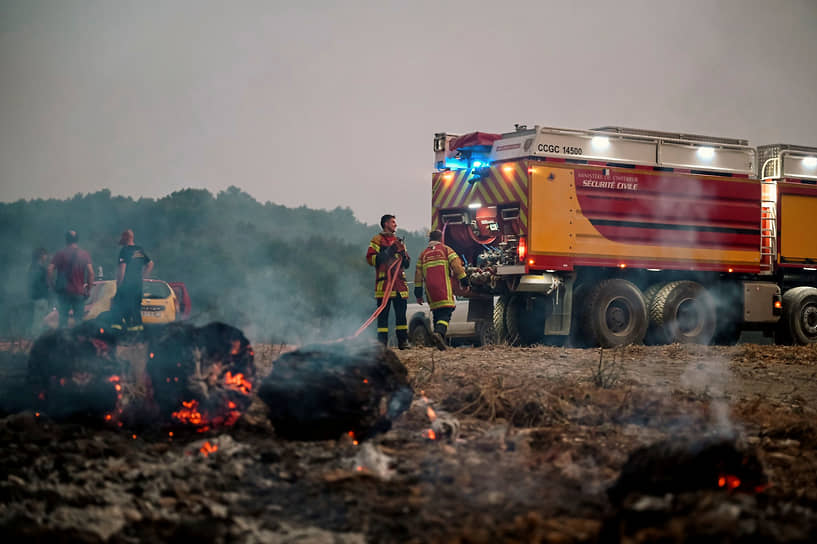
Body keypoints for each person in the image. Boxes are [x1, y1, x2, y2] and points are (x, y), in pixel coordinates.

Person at [414, 229, 467, 350]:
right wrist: (464, 281)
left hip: (430, 292)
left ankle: (439, 344)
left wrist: (418, 293)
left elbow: (417, 274)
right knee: (446, 312)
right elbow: (457, 266)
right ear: (440, 239)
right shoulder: (446, 250)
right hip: (443, 288)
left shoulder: (423, 254)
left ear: (430, 239)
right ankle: (439, 334)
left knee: (437, 313)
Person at [366, 214, 411, 349]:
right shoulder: (377, 240)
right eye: (393, 222)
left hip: (399, 286)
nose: (395, 225)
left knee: (401, 317)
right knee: (383, 317)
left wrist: (403, 256)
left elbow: (407, 264)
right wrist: (389, 251)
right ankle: (382, 344)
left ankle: (403, 342)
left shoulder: (399, 241)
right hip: (384, 285)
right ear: (386, 224)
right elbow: (371, 259)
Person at [48, 230, 94, 328]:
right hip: (79, 292)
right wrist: (89, 289)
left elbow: (49, 270)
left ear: (66, 240)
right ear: (77, 240)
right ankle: (78, 341)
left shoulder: (60, 254)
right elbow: (91, 272)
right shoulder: (84, 254)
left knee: (63, 320)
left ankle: (62, 341)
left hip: (64, 292)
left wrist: (52, 286)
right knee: (79, 321)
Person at [111, 229, 153, 332]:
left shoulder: (124, 251)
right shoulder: (139, 250)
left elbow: (122, 269)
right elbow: (150, 264)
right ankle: (137, 335)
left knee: (117, 307)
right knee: (136, 310)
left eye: (122, 237)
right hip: (137, 286)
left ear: (126, 237)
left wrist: (119, 285)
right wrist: (142, 278)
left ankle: (116, 333)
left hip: (126, 286)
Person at [28, 248, 51, 335]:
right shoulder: (41, 269)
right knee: (39, 321)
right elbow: (45, 284)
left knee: (38, 319)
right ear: (41, 256)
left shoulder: (32, 267)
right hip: (41, 298)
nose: (46, 256)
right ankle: (36, 339)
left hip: (35, 297)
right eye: (45, 255)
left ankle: (35, 337)